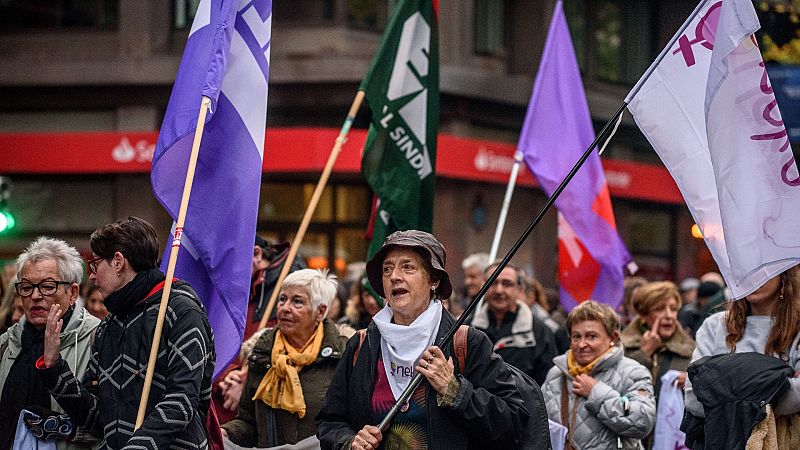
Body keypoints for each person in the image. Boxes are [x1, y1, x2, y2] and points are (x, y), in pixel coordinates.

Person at [316, 230, 529, 449]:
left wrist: (454, 390)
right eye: (387, 268)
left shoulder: (466, 343)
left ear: (434, 279)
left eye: (408, 267)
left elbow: (513, 421)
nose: (394, 276)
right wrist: (350, 441)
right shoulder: (362, 345)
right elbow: (330, 422)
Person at [37, 216, 216, 448]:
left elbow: (182, 402)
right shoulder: (107, 329)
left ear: (118, 262)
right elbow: (97, 418)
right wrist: (54, 369)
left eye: (95, 264)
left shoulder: (181, 311)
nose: (91, 276)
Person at [221, 268, 349, 446]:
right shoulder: (262, 354)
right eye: (282, 299)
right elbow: (248, 422)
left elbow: (348, 424)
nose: (285, 308)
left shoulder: (342, 355)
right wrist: (227, 432)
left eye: (297, 302)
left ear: (320, 312)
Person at [0, 237, 101, 449]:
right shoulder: (6, 345)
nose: (35, 296)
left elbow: (112, 424)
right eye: (26, 287)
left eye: (47, 286)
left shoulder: (98, 339)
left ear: (72, 292)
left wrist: (63, 429)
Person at [685, 266, 800, 423]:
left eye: (761, 268)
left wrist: (723, 387)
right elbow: (694, 397)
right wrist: (777, 385)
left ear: (784, 274)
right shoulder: (715, 325)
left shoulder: (797, 328)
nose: (751, 275)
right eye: (745, 266)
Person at [542, 300, 656, 450]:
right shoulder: (556, 374)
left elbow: (643, 422)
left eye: (591, 336)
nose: (582, 344)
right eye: (576, 336)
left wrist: (596, 392)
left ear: (613, 338)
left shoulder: (632, 372)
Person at [469, 262, 558, 385]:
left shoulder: (539, 332)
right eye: (493, 283)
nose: (499, 290)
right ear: (483, 286)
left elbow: (548, 384)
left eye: (507, 284)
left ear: (519, 289)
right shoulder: (468, 328)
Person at [621, 281, 695, 396]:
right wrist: (644, 352)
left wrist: (690, 382)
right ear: (643, 315)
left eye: (673, 309)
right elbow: (619, 384)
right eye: (660, 309)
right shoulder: (621, 347)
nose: (669, 315)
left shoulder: (690, 350)